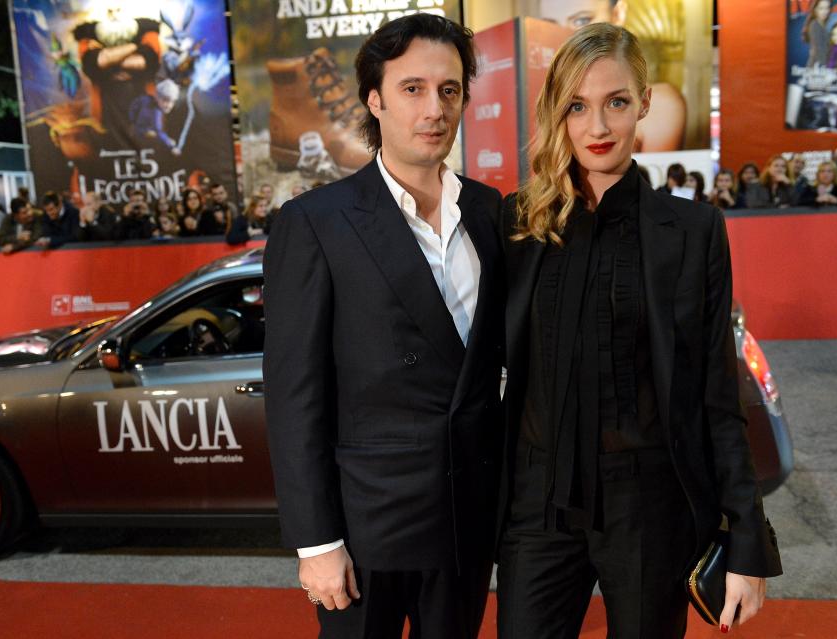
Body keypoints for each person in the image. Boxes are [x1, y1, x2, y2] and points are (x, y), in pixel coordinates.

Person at [496, 24, 781, 638]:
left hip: (648, 507)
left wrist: (747, 536)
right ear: (557, 112)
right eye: (577, 105)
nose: (597, 127)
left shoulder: (694, 231)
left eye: (616, 103)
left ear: (644, 102)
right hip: (537, 504)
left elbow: (716, 395)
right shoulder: (518, 225)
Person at [264, 14, 503, 639]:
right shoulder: (316, 221)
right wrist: (316, 541)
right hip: (367, 528)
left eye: (449, 90)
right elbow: (295, 396)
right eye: (413, 88)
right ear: (376, 99)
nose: (434, 108)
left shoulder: (492, 212)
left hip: (466, 523)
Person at [537, 0, 687, 151]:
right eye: (551, 25)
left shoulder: (660, 105)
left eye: (581, 20)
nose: (565, 37)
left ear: (618, 14)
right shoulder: (540, 104)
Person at [802, 0, 831, 67]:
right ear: (815, 9)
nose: (825, 11)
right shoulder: (815, 25)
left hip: (819, 66)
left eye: (827, 8)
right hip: (817, 67)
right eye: (821, 8)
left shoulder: (821, 24)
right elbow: (819, 52)